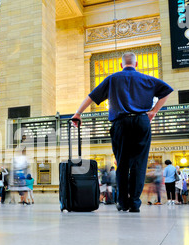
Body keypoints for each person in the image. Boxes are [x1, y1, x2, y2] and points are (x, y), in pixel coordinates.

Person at [72, 52, 173, 212]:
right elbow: (167, 91)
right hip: (141, 121)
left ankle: (122, 203)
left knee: (122, 163)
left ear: (121, 65)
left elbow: (92, 96)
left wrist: (78, 113)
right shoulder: (147, 79)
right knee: (139, 165)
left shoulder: (113, 78)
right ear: (136, 64)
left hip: (121, 123)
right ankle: (134, 203)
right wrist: (153, 111)